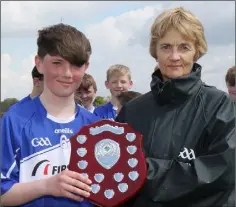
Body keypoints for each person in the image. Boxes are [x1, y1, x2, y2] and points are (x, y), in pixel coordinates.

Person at [116, 7, 235, 207]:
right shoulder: (132, 110)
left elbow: (221, 171)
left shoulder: (219, 105)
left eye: (184, 47)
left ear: (197, 52)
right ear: (155, 52)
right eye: (165, 47)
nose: (174, 56)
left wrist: (142, 170)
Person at [1, 23, 101, 207]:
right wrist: (47, 186)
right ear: (38, 63)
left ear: (86, 66)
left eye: (76, 64)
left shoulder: (96, 127)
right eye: (57, 63)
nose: (67, 74)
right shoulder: (14, 121)